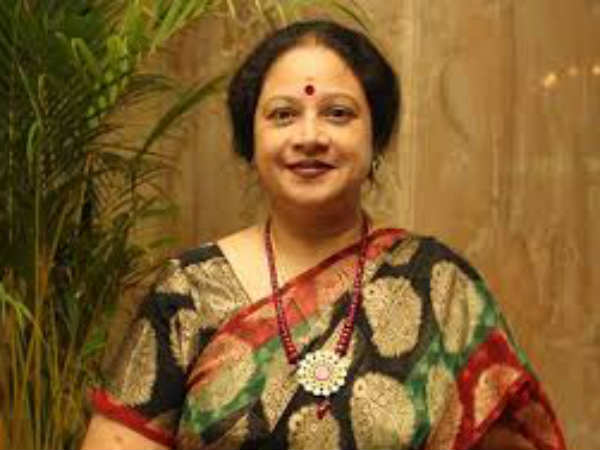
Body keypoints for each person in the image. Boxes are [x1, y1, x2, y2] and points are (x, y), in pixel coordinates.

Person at [81, 20, 566, 450]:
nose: (309, 137)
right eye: (283, 114)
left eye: (338, 113)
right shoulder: (189, 292)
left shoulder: (438, 284)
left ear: (376, 138)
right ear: (251, 142)